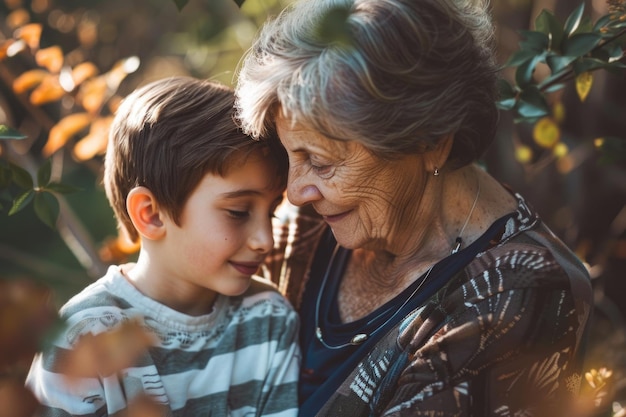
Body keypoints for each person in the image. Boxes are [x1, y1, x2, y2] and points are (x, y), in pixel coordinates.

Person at [234, 0, 593, 416]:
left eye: (321, 162)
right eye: (288, 154)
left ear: (430, 141)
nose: (295, 193)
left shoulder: (520, 294)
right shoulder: (305, 227)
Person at [26, 76, 300, 417]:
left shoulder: (269, 321)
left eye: (271, 211)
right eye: (238, 212)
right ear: (151, 215)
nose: (265, 240)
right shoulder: (84, 335)